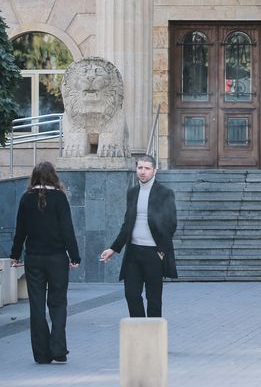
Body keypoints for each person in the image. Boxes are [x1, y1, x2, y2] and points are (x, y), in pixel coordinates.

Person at [9, 162, 81, 364]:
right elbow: (67, 229)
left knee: (37, 306)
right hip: (57, 258)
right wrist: (74, 256)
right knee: (58, 303)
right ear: (53, 177)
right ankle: (58, 350)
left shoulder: (26, 199)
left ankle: (41, 354)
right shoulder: (60, 198)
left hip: (34, 259)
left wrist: (15, 254)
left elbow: (20, 230)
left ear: (34, 177)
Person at [99, 155, 178, 317]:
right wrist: (113, 248)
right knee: (131, 294)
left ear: (154, 171)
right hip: (133, 252)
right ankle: (139, 327)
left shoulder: (165, 193)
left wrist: (161, 251)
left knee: (153, 298)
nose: (143, 172)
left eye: (147, 168)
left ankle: (153, 336)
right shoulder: (132, 192)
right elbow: (127, 224)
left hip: (154, 253)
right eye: (140, 168)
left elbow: (171, 224)